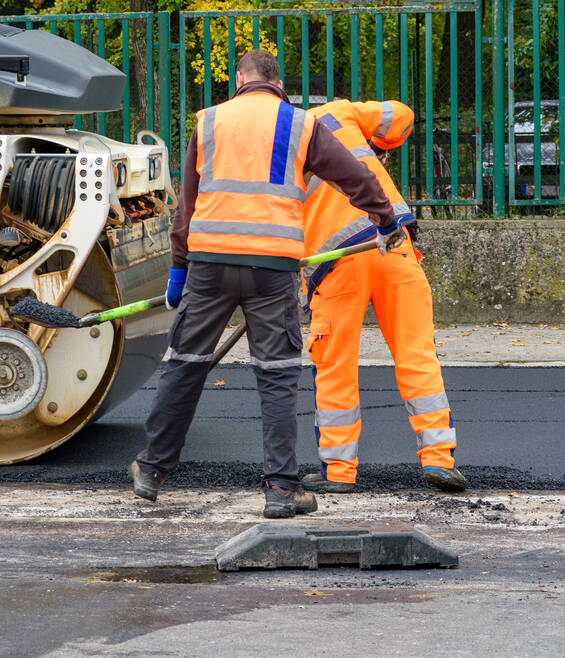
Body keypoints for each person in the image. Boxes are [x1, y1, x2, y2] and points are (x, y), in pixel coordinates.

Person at [130, 50, 399, 518]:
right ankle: (280, 489)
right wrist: (385, 218)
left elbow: (186, 206)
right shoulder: (301, 124)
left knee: (187, 363)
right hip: (272, 268)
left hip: (210, 263)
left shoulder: (209, 121)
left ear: (240, 78)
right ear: (279, 84)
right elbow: (356, 176)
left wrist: (179, 268)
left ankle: (151, 470)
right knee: (276, 376)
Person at [299, 99, 468, 494]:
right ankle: (439, 460)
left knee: (335, 363)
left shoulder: (274, 144)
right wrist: (376, 148)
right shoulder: (339, 112)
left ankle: (339, 472)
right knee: (416, 355)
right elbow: (403, 115)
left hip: (336, 261)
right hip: (392, 242)